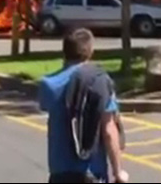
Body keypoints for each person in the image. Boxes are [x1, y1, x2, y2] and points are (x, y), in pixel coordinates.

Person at [39, 29, 128, 184]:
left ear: (64, 51)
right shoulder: (99, 81)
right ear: (90, 51)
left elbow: (47, 106)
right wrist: (118, 171)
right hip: (91, 172)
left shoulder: (48, 84)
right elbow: (108, 130)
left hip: (60, 173)